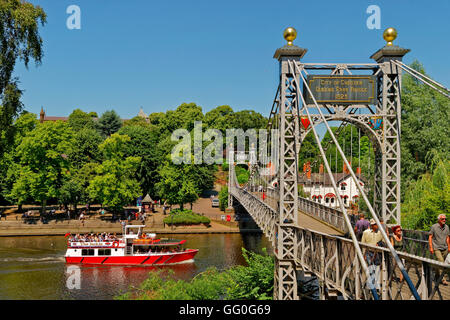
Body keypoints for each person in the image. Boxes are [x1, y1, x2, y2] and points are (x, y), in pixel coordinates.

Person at [361, 219, 383, 290]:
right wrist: (363, 254)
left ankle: (372, 284)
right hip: (369, 252)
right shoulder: (365, 232)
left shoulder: (380, 232)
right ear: (372, 225)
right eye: (376, 224)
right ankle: (372, 286)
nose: (377, 226)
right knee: (371, 267)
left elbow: (384, 242)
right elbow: (363, 244)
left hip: (378, 253)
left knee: (376, 268)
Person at [428, 214, 450, 285]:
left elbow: (447, 238)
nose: (444, 220)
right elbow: (430, 237)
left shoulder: (446, 227)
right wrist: (431, 247)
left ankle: (437, 277)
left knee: (441, 263)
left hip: (445, 247)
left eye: (445, 219)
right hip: (436, 247)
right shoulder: (434, 227)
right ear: (439, 220)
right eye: (442, 219)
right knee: (441, 262)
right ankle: (443, 279)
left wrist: (449, 246)